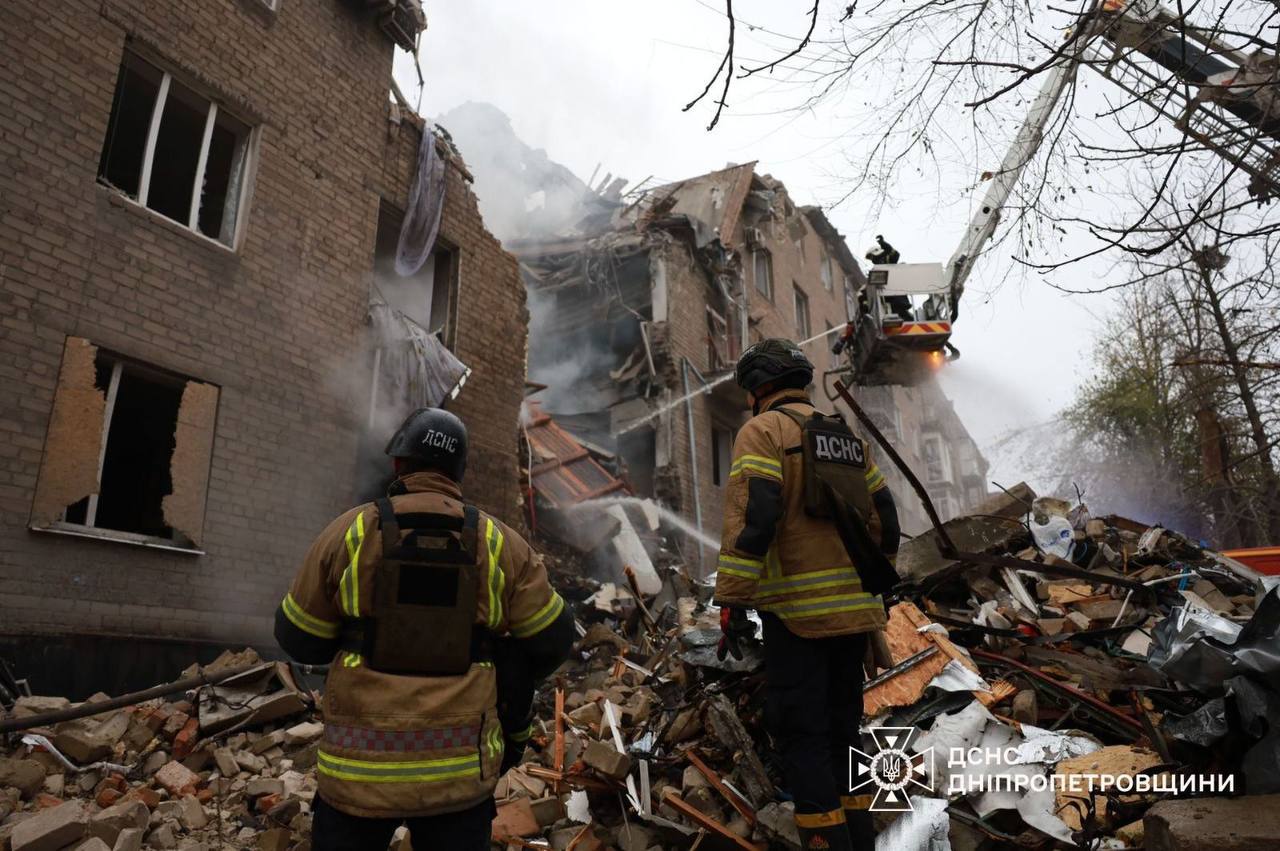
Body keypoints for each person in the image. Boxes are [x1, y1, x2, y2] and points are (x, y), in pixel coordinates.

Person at [275, 407, 574, 851]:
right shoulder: (500, 543)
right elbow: (553, 640)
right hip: (459, 782)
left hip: (356, 776)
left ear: (398, 464)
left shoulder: (349, 533)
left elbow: (299, 637)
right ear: (460, 471)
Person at [713, 339, 902, 851]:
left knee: (803, 734)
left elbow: (756, 516)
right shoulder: (844, 435)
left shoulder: (762, 430)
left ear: (759, 387)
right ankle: (860, 840)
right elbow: (887, 521)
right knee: (845, 728)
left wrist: (731, 599)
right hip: (855, 616)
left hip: (798, 617)